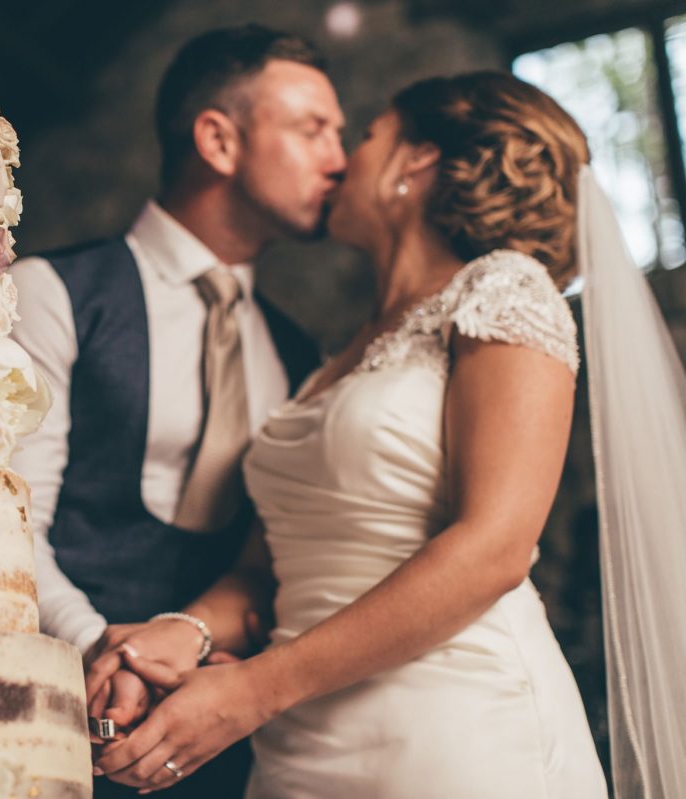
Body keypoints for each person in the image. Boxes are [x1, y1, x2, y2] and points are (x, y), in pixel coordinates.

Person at [87, 71, 614, 797]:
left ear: (416, 161)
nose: (338, 159)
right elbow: (271, 565)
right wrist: (187, 628)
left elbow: (495, 548)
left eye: (364, 135)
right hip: (300, 742)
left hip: (453, 723)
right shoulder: (341, 349)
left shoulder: (507, 289)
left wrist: (252, 692)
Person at [7, 24, 345, 798]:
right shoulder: (54, 292)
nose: (340, 158)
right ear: (219, 141)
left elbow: (277, 557)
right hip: (54, 716)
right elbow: (9, 525)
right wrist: (103, 651)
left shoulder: (303, 355)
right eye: (312, 129)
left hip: (220, 741)